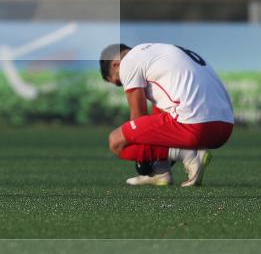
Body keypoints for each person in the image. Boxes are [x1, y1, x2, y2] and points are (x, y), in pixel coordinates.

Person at [100, 42, 234, 187]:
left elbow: (138, 117)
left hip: (198, 127)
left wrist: (144, 159)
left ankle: (190, 156)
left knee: (116, 141)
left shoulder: (128, 61)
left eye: (119, 82)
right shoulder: (160, 51)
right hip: (224, 128)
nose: (123, 84)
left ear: (115, 64)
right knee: (158, 111)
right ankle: (161, 172)